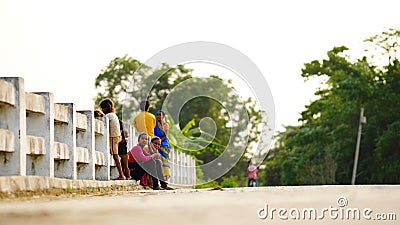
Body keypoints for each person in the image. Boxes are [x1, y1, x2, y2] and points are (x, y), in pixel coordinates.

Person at [99, 98, 126, 180]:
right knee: (114, 155)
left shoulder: (109, 115)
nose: (102, 110)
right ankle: (122, 174)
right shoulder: (113, 115)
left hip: (113, 137)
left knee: (115, 155)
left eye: (103, 108)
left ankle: (121, 175)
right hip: (116, 137)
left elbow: (102, 120)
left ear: (106, 108)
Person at [154, 110, 171, 182]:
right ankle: (160, 178)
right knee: (158, 161)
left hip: (164, 145)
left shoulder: (165, 125)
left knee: (165, 161)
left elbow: (165, 136)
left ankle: (165, 178)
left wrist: (159, 141)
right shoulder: (155, 125)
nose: (158, 116)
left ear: (163, 116)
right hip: (156, 144)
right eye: (157, 115)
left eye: (160, 115)